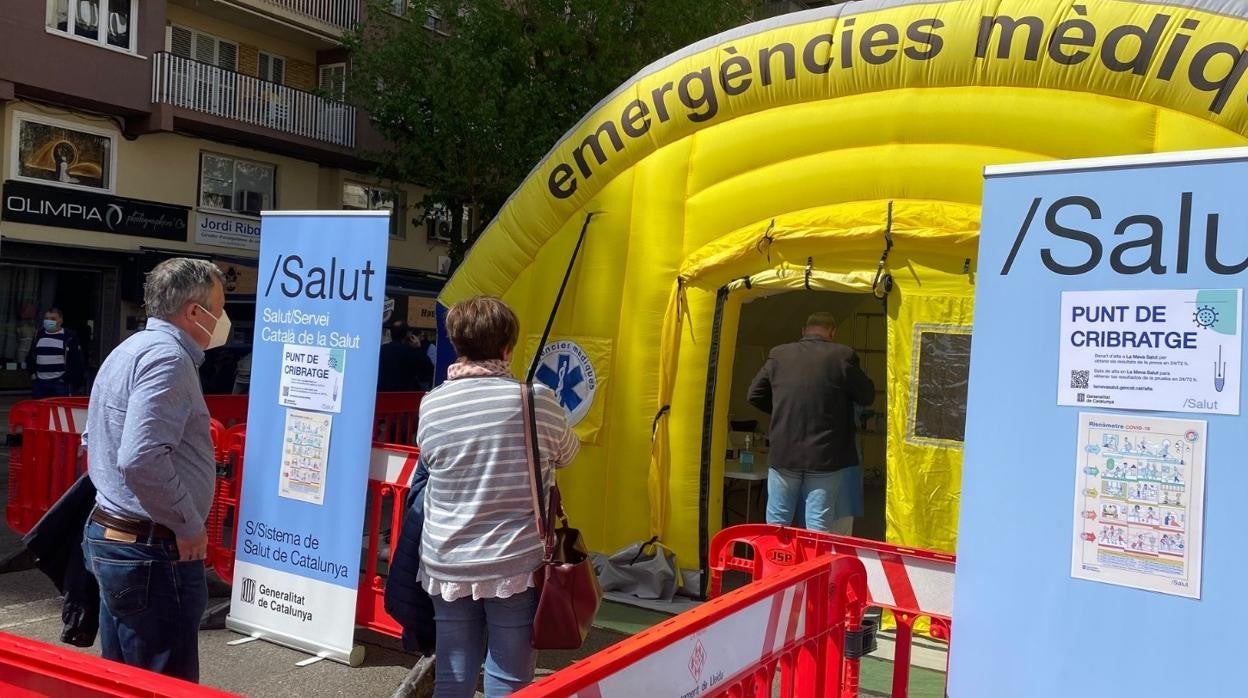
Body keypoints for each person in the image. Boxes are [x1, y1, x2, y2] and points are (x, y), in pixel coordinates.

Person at [417, 296, 579, 697]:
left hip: (446, 558)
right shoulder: (535, 399)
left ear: (457, 344)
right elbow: (568, 453)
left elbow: (431, 460)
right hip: (512, 560)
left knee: (453, 675)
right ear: (508, 347)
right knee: (508, 678)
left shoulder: (432, 403)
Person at [81, 258, 228, 682]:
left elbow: (94, 439)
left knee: (125, 679)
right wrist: (186, 523)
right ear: (194, 312)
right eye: (219, 307)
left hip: (123, 540)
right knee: (164, 683)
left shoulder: (130, 349)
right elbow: (140, 457)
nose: (223, 319)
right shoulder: (167, 360)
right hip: (151, 549)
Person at [747, 312, 874, 535]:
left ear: (803, 331)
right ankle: (813, 569)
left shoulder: (779, 354)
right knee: (818, 525)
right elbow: (867, 396)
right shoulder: (842, 356)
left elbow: (754, 395)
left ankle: (775, 569)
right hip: (826, 456)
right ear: (833, 333)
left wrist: (783, 411)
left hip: (784, 452)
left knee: (777, 522)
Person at [26, 307, 85, 397]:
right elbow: (31, 356)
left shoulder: (69, 337)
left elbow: (76, 361)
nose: (49, 321)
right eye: (46, 319)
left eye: (53, 319)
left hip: (59, 383)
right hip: (40, 382)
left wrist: (66, 379)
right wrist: (33, 375)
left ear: (60, 320)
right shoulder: (38, 335)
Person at [378, 324, 432, 392]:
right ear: (407, 335)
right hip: (405, 394)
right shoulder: (411, 352)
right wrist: (418, 348)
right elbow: (428, 369)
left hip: (382, 393)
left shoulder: (382, 350)